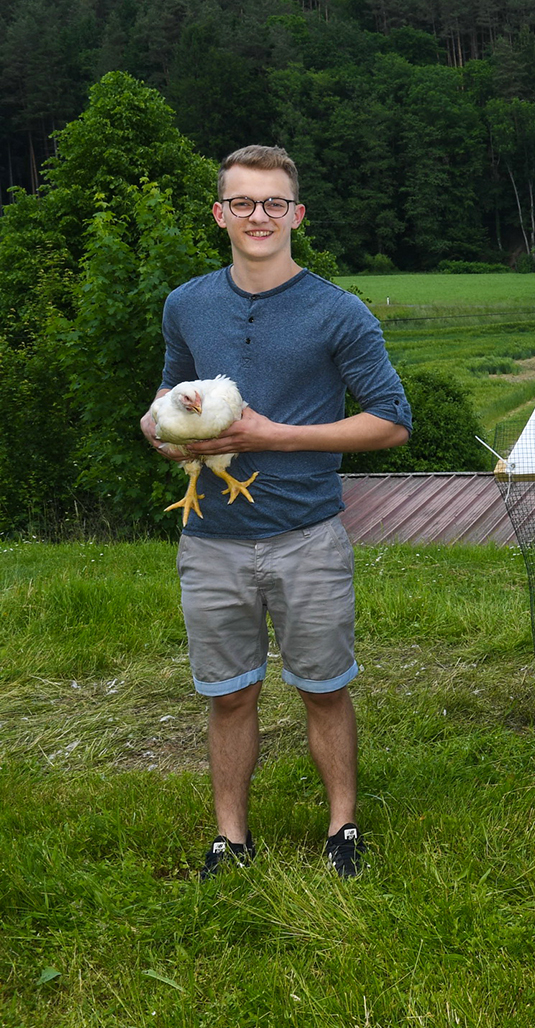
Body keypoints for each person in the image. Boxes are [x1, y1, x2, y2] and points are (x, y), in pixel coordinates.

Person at [140, 144, 412, 880]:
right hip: (211, 541)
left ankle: (342, 827)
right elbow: (168, 399)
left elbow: (391, 420)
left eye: (272, 203)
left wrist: (274, 435)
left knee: (324, 686)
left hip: (307, 535)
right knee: (229, 695)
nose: (257, 216)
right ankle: (231, 837)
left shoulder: (337, 311)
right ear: (219, 214)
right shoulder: (187, 304)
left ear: (297, 213)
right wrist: (159, 430)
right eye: (242, 202)